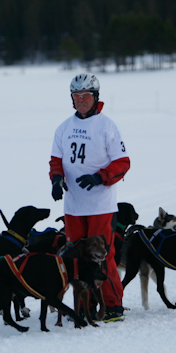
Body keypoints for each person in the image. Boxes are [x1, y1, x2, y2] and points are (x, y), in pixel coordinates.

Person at [49, 73, 130, 322]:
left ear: (95, 97)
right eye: (76, 96)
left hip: (100, 205)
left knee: (102, 255)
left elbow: (123, 163)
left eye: (85, 95)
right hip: (73, 206)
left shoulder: (107, 126)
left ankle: (113, 305)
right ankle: (85, 305)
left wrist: (100, 177)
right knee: (75, 258)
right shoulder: (64, 128)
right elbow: (56, 160)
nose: (81, 100)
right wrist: (56, 179)